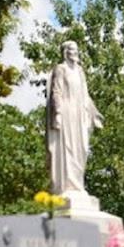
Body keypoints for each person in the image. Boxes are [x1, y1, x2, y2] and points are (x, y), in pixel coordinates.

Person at [46, 40, 103, 197]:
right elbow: (56, 92)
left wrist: (94, 114)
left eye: (77, 49)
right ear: (66, 52)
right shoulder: (60, 69)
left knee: (82, 148)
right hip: (66, 113)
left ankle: (78, 184)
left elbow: (85, 95)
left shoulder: (80, 71)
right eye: (72, 49)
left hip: (80, 114)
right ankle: (67, 186)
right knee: (68, 149)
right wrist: (57, 113)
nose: (76, 52)